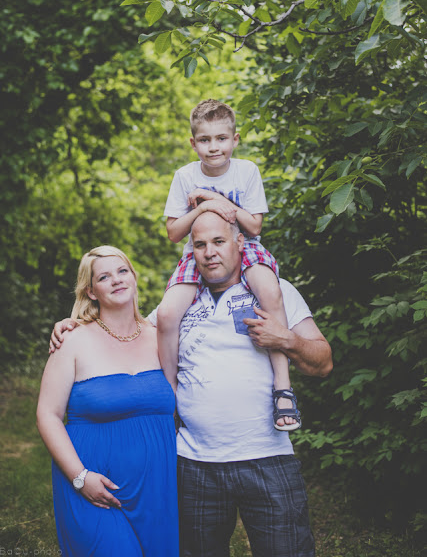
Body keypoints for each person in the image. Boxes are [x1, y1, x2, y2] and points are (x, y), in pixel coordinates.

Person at [150, 212, 333, 557]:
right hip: (194, 462)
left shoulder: (275, 292)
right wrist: (76, 324)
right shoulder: (178, 300)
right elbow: (124, 339)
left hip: (268, 458)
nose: (209, 252)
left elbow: (323, 362)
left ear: (239, 243)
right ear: (191, 251)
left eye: (218, 242)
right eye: (200, 245)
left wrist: (286, 339)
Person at [157, 98, 299, 431]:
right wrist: (201, 207)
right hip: (197, 253)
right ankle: (169, 394)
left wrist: (216, 199)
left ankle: (282, 386)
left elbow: (254, 227)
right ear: (193, 143)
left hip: (244, 247)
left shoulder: (246, 171)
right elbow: (174, 233)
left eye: (221, 138)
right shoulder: (185, 176)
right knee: (166, 314)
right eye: (205, 140)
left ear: (235, 139)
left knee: (271, 293)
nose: (213, 147)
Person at [37, 246, 179, 557]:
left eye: (122, 271)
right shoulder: (72, 340)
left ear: (134, 277)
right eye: (104, 277)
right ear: (91, 291)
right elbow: (48, 414)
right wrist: (79, 477)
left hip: (157, 487)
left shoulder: (161, 337)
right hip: (93, 484)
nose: (116, 280)